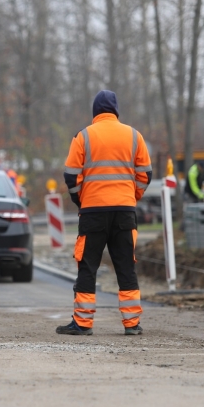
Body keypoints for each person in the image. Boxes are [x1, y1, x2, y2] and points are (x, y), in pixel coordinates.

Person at [57, 90, 152, 336]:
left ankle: (83, 323)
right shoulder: (134, 136)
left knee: (88, 266)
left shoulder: (83, 136)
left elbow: (71, 176)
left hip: (93, 212)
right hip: (124, 211)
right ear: (116, 111)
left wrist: (81, 199)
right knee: (125, 266)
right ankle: (132, 324)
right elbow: (145, 175)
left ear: (95, 112)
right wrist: (132, 197)